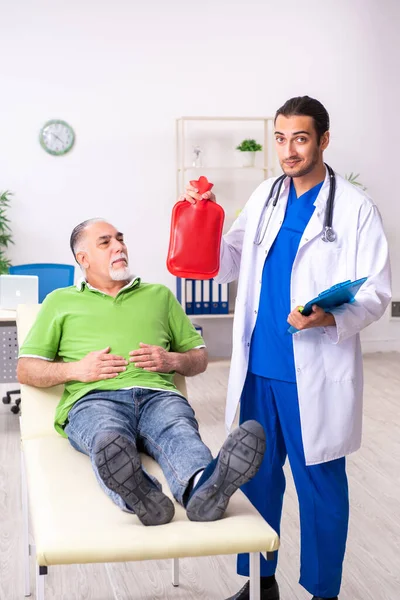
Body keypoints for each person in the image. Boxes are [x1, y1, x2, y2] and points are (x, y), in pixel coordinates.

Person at [182, 96, 391, 600]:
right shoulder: (265, 196)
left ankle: (324, 592)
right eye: (280, 138)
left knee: (320, 488)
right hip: (258, 366)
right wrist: (202, 218)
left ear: (322, 139)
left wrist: (329, 314)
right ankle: (260, 584)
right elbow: (228, 262)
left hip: (313, 370)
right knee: (255, 480)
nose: (288, 150)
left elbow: (376, 292)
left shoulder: (357, 208)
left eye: (300, 138)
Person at [17, 218, 266, 527]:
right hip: (94, 400)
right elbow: (26, 369)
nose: (119, 246)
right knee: (106, 438)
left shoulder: (159, 295)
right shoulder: (59, 301)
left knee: (179, 433)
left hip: (159, 397)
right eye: (105, 242)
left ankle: (203, 489)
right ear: (83, 259)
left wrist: (172, 360)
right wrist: (78, 369)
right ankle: (141, 493)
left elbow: (199, 358)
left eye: (120, 239)